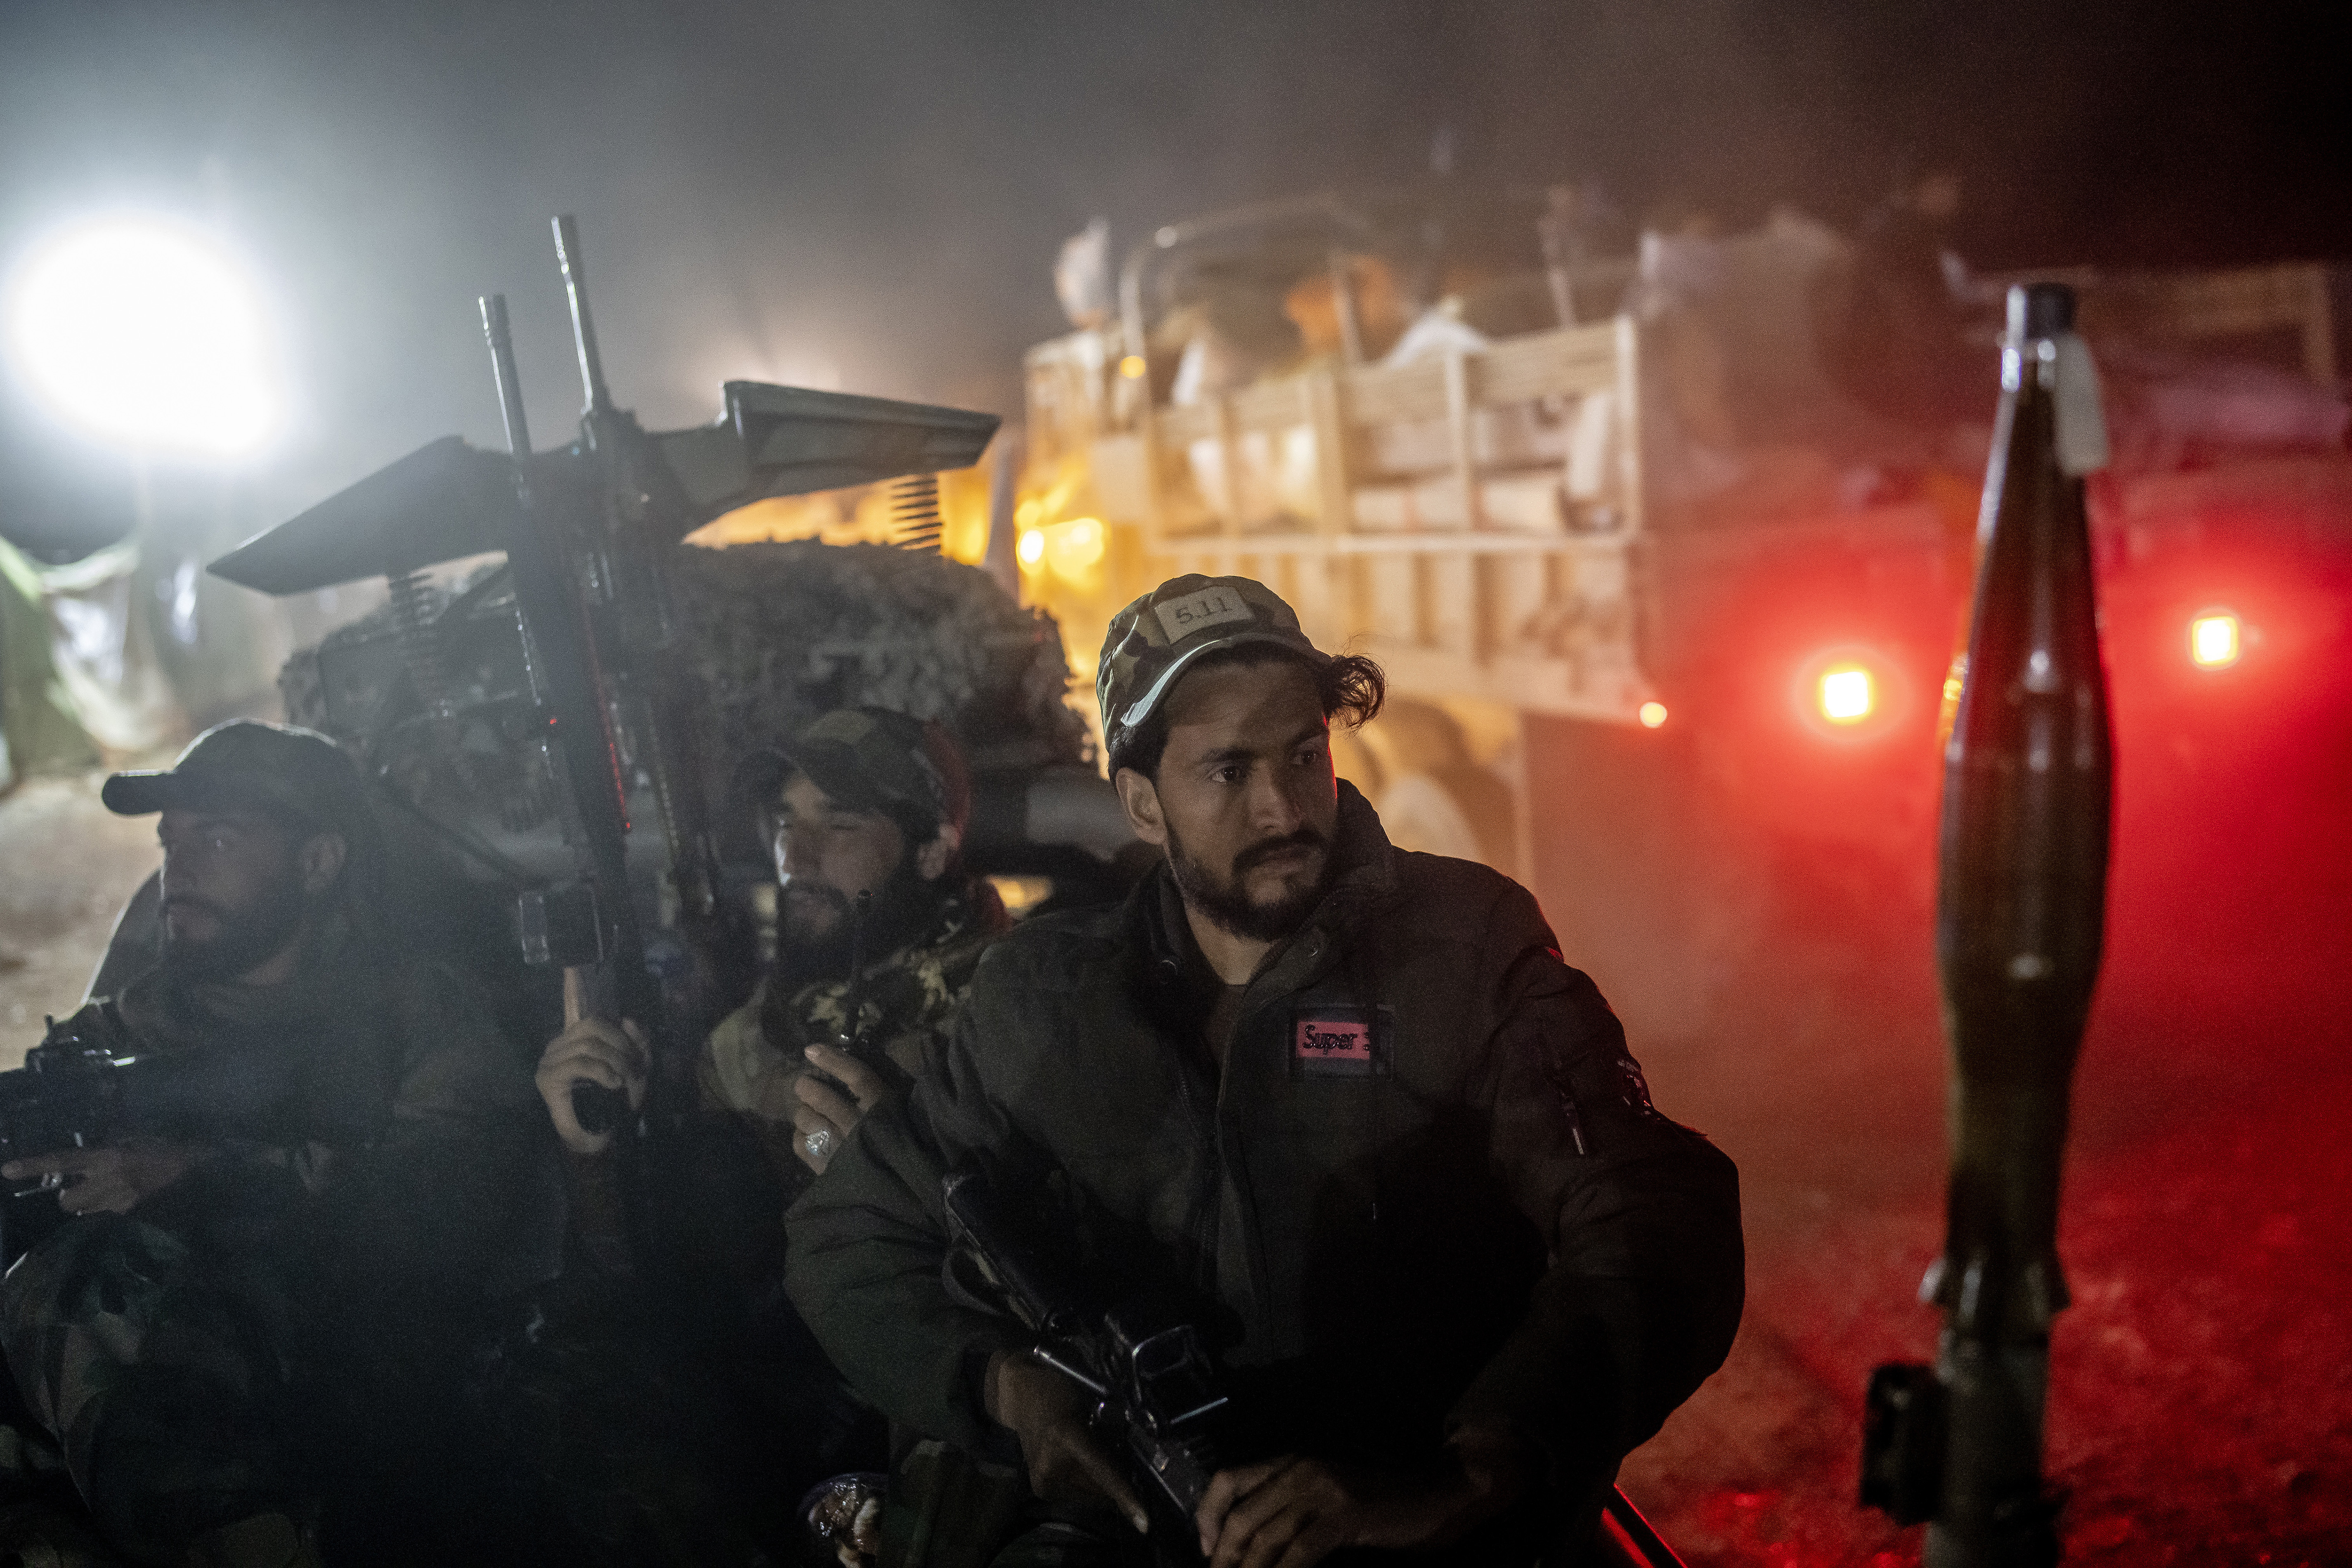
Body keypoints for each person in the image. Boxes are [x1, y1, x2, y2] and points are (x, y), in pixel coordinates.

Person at [786, 576, 1745, 1567]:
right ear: (1142, 803)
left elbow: (1653, 1218)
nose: (1284, 807)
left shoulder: (1463, 952)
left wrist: (1470, 1470)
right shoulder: (1046, 1003)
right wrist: (1007, 1390)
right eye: (1228, 771)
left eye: (1303, 754)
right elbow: (849, 1233)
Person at [0, 720, 553, 1568]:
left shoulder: (417, 1019)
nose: (178, 869)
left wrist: (203, 1177)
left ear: (319, 862)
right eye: (169, 841)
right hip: (148, 1424)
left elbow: (438, 1222)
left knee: (88, 1283)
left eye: (216, 838)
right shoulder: (123, 1028)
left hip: (352, 1392)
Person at [511, 708, 1009, 1564]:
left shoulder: (1008, 1023)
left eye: (840, 824)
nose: (798, 857)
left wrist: (893, 1174)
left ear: (931, 849)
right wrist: (598, 1154)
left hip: (950, 1414)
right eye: (786, 824)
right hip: (778, 1427)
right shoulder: (746, 1042)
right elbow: (662, 1277)